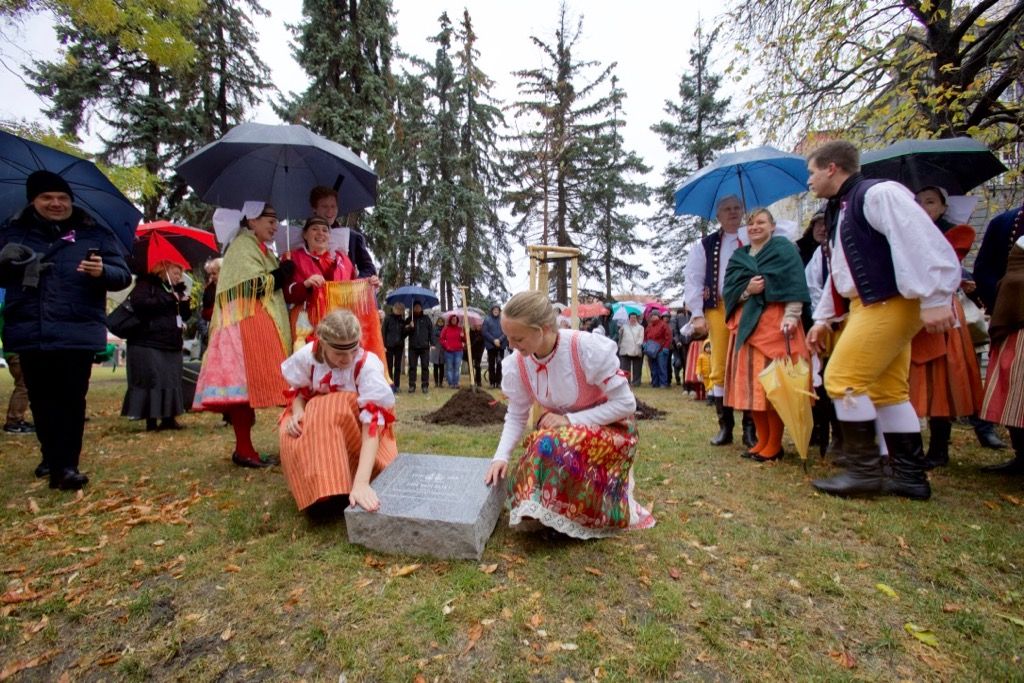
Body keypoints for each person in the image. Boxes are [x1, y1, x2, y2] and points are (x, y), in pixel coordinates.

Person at [804, 141, 960, 500]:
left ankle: (863, 473)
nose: (809, 180)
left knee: (842, 378)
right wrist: (824, 318)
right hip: (869, 304)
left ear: (831, 168)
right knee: (889, 391)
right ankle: (909, 476)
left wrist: (936, 296)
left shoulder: (878, 193)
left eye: (812, 171)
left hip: (887, 302)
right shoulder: (842, 208)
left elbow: (920, 241)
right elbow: (842, 271)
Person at [483, 290, 655, 538]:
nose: (511, 345)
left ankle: (578, 515)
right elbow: (518, 414)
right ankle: (550, 513)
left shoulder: (583, 348)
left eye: (517, 338)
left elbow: (626, 405)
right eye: (509, 337)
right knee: (541, 444)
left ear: (542, 329)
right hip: (562, 434)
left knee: (552, 443)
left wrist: (570, 421)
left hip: (611, 431)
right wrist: (501, 456)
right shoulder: (519, 363)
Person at [0, 170, 132, 489]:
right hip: (32, 326)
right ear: (33, 200)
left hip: (78, 326)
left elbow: (122, 275)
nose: (56, 204)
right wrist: (9, 263)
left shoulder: (93, 233)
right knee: (43, 399)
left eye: (62, 198)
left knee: (72, 398)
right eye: (47, 198)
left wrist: (102, 271)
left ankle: (67, 465)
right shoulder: (12, 233)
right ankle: (51, 456)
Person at [192, 202, 294, 468]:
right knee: (244, 388)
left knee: (252, 388)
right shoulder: (241, 247)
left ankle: (247, 448)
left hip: (258, 324)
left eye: (276, 220)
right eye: (268, 220)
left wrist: (281, 271)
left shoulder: (262, 249)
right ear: (251, 222)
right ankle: (244, 449)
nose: (274, 226)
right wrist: (278, 275)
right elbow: (248, 286)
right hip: (242, 327)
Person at [279, 309, 397, 511]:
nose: (348, 359)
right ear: (322, 344)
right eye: (340, 353)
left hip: (358, 431)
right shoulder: (308, 357)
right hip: (319, 428)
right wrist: (298, 411)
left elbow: (371, 426)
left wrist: (362, 483)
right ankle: (319, 489)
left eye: (353, 350)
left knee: (329, 406)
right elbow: (299, 393)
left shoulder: (366, 366)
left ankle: (350, 482)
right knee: (289, 429)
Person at [908, 187, 993, 467]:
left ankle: (939, 447)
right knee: (911, 379)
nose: (923, 206)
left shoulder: (956, 234)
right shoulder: (907, 234)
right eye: (918, 202)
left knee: (942, 378)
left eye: (930, 202)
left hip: (942, 311)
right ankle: (912, 446)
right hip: (912, 311)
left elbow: (943, 266)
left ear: (944, 207)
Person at [723, 209, 811, 461]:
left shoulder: (784, 250)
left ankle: (774, 444)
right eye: (750, 223)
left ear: (773, 226)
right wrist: (747, 289)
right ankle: (761, 440)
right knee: (752, 389)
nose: (755, 227)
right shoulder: (739, 256)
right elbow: (729, 290)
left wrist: (792, 316)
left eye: (761, 222)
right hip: (746, 327)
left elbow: (795, 284)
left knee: (773, 389)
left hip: (776, 324)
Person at [684, 195, 756, 447]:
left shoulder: (754, 235)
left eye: (737, 208)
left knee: (749, 363)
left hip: (750, 304)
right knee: (719, 364)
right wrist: (697, 314)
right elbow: (693, 279)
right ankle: (726, 427)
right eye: (727, 209)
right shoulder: (706, 245)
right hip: (719, 306)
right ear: (718, 215)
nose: (733, 212)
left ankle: (751, 428)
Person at [975, 203, 1024, 474]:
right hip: (1013, 322)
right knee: (1011, 386)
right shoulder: (1004, 222)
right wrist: (1004, 301)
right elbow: (984, 268)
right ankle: (1021, 454)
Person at [121, 258, 191, 431]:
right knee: (153, 380)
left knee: (171, 380)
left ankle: (169, 418)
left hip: (171, 342)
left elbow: (185, 316)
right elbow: (140, 304)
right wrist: (168, 298)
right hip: (149, 341)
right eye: (175, 273)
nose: (178, 277)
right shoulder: (146, 285)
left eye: (180, 274)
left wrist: (184, 302)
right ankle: (150, 420)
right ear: (163, 270)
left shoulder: (175, 290)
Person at [283, 215, 355, 349]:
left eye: (324, 230)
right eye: (315, 229)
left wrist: (368, 283)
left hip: (337, 323)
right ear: (305, 234)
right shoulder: (292, 257)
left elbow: (353, 290)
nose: (320, 233)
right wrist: (305, 285)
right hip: (305, 323)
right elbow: (285, 294)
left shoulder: (343, 260)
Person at [308, 186, 380, 287]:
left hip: (345, 297)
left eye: (333, 206)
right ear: (314, 209)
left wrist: (355, 283)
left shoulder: (352, 237)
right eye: (324, 206)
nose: (330, 211)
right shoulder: (305, 235)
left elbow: (369, 268)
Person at [405, 302, 434, 394]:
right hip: (413, 347)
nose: (417, 308)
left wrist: (432, 343)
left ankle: (425, 385)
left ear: (421, 308)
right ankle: (412, 385)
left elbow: (431, 332)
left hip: (424, 347)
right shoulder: (410, 319)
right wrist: (410, 327)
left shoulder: (426, 319)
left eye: (419, 307)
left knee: (425, 367)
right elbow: (404, 332)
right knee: (412, 367)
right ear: (413, 308)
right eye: (415, 307)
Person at [381, 302, 407, 392]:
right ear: (394, 309)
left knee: (397, 367)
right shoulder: (388, 318)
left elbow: (404, 334)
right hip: (389, 346)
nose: (399, 311)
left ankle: (397, 385)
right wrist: (383, 345)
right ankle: (390, 384)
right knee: (389, 366)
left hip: (399, 346)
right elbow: (383, 332)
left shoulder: (402, 321)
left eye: (401, 310)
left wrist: (409, 328)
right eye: (397, 309)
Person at [198, 257, 222, 358]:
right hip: (208, 333)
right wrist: (205, 333)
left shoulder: (230, 290)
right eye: (210, 274)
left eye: (214, 273)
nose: (212, 277)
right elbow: (203, 313)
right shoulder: (209, 288)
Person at [643, 310, 672, 388]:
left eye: (655, 315)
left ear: (658, 316)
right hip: (651, 350)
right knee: (653, 368)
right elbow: (645, 336)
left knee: (662, 367)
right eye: (652, 315)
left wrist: (666, 347)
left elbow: (668, 337)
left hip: (661, 350)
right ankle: (655, 383)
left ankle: (663, 383)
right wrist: (645, 343)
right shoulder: (649, 326)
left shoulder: (664, 325)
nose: (653, 317)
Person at [617, 312, 644, 387]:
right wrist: (620, 331)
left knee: (637, 368)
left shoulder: (641, 327)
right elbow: (620, 336)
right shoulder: (624, 326)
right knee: (625, 367)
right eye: (631, 318)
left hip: (636, 349)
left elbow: (641, 338)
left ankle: (636, 382)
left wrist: (638, 344)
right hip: (625, 349)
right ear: (629, 319)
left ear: (637, 318)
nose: (633, 319)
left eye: (634, 318)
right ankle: (625, 381)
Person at [483, 304, 506, 389]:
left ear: (499, 311)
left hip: (501, 346)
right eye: (494, 310)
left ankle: (499, 382)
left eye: (497, 310)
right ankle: (492, 382)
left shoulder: (503, 320)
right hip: (491, 346)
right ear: (492, 310)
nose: (496, 311)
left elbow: (506, 331)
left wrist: (499, 340)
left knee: (500, 364)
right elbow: (485, 332)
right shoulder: (487, 320)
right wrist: (493, 340)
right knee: (491, 364)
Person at [439, 315, 465, 388]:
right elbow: (441, 339)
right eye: (453, 319)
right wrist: (447, 346)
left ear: (457, 320)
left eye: (455, 319)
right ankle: (451, 384)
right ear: (450, 320)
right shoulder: (446, 329)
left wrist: (463, 336)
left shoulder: (460, 329)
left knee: (457, 368)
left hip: (458, 351)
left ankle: (456, 383)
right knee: (449, 368)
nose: (454, 320)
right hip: (448, 352)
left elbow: (465, 340)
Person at [670, 307, 691, 388]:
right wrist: (678, 341)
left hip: (692, 343)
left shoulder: (693, 316)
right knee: (684, 364)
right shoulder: (678, 318)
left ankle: (692, 383)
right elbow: (675, 331)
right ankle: (685, 384)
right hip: (682, 345)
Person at [430, 316, 445, 388]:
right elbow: (431, 337)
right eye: (439, 321)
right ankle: (436, 382)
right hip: (435, 348)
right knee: (435, 366)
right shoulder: (434, 329)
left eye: (442, 322)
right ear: (437, 322)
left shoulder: (445, 329)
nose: (440, 323)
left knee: (442, 367)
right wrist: (432, 345)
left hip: (442, 349)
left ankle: (441, 383)